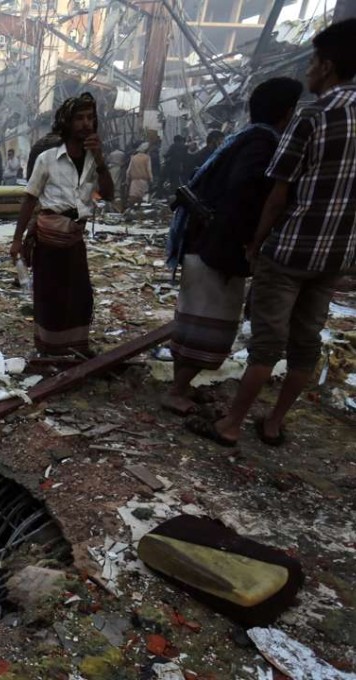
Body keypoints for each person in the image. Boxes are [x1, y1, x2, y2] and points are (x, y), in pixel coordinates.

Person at [188, 19, 356, 447]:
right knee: (306, 342)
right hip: (336, 255)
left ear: (329, 65)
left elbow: (277, 194)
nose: (309, 72)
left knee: (266, 345)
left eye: (314, 62)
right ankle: (274, 422)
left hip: (291, 249)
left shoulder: (312, 117)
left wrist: (256, 242)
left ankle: (231, 424)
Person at [162, 77, 304, 416]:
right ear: (286, 114)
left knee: (195, 321)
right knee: (206, 325)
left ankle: (180, 386)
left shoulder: (244, 139)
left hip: (205, 243)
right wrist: (246, 244)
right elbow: (244, 194)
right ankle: (177, 391)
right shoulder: (261, 144)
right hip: (218, 250)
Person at [8, 93, 114, 356]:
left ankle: (77, 346)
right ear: (67, 122)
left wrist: (100, 160)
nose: (86, 123)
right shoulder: (48, 158)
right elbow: (30, 199)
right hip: (49, 238)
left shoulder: (93, 159)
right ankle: (50, 348)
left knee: (80, 296)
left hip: (74, 238)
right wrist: (17, 239)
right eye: (79, 118)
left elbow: (109, 194)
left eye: (90, 117)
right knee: (50, 296)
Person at [126, 143, 152, 208]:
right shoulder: (147, 158)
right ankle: (138, 210)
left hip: (134, 180)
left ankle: (129, 209)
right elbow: (149, 169)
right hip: (143, 180)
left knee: (133, 197)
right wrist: (151, 178)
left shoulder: (133, 157)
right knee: (141, 197)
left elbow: (128, 170)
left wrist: (127, 179)